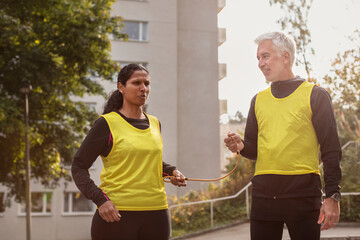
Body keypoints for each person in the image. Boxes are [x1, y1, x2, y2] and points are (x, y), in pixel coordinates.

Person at [224, 32, 342, 240]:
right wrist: (241, 146)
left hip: (303, 193)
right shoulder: (257, 100)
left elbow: (331, 150)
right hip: (264, 195)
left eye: (266, 56)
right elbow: (254, 150)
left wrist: (332, 195)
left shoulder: (315, 95)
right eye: (258, 58)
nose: (260, 63)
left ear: (286, 56)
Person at [72, 63, 187, 240]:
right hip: (116, 215)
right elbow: (78, 166)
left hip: (157, 213)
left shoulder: (155, 123)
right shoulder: (106, 124)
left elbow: (148, 161)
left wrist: (172, 171)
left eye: (147, 83)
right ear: (121, 87)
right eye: (137, 83)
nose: (143, 88)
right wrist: (101, 200)